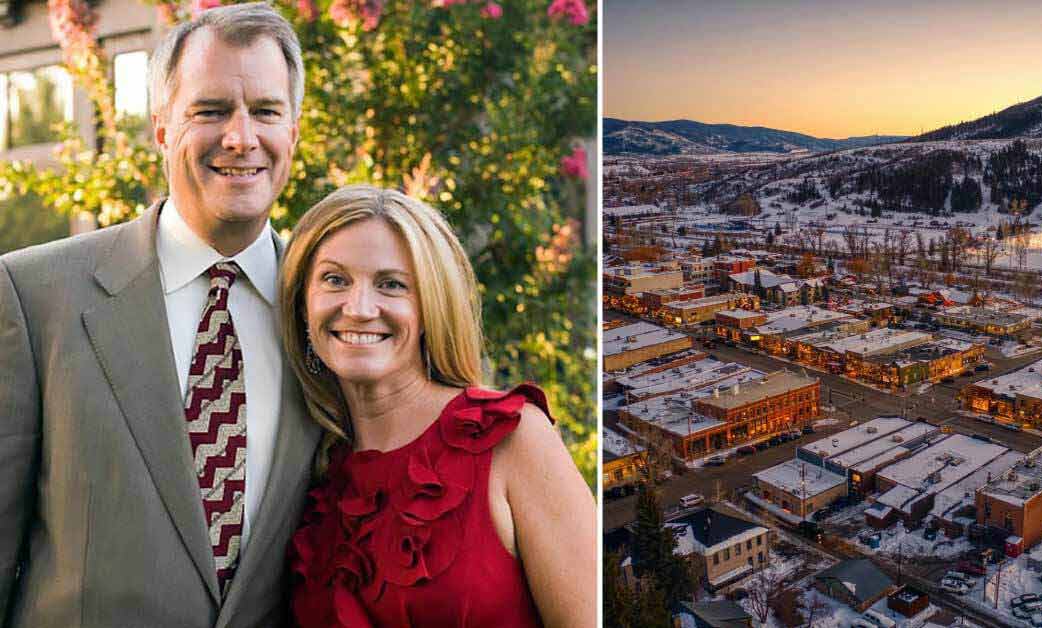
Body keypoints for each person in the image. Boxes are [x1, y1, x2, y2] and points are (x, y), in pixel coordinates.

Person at [0, 5, 320, 627]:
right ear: (162, 129)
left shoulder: (331, 315)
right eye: (210, 111)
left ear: (294, 132)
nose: (241, 137)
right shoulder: (33, 296)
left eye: (266, 111)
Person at [280, 185, 597, 627]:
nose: (359, 307)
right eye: (335, 280)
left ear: (432, 306)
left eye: (391, 284)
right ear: (301, 303)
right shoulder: (311, 480)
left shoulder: (510, 439)